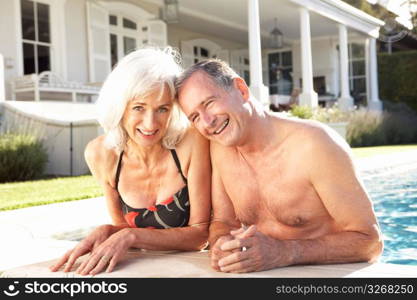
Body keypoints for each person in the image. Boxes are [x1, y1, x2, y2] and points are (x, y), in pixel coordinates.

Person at [176, 59, 383, 273]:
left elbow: (370, 242)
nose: (207, 122)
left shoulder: (315, 145)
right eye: (195, 117)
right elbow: (223, 221)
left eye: (209, 103)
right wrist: (221, 244)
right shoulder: (220, 147)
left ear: (241, 89)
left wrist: (284, 252)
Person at [50, 47, 211, 276]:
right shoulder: (101, 154)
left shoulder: (191, 143)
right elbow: (124, 228)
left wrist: (130, 235)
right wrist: (108, 231)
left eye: (162, 109)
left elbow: (200, 236)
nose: (150, 124)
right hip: (145, 269)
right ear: (119, 107)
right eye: (138, 107)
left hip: (196, 270)